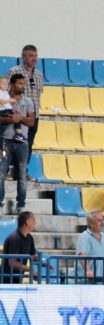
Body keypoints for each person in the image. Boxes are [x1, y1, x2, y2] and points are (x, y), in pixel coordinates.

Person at [0, 74, 35, 215]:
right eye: (19, 83)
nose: (22, 86)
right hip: (5, 142)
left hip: (22, 143)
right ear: (12, 84)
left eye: (23, 83)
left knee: (21, 175)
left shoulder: (28, 101)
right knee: (1, 173)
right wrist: (9, 120)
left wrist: (20, 118)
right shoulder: (4, 98)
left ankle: (21, 205)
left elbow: (31, 121)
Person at [5, 45, 43, 174]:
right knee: (10, 143)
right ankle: (6, 171)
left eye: (36, 56)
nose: (34, 59)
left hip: (32, 117)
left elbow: (38, 95)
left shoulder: (39, 75)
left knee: (28, 145)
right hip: (15, 116)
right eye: (31, 56)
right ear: (23, 57)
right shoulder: (13, 71)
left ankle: (21, 172)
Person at [2, 211, 41, 283]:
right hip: (7, 279)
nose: (35, 223)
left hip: (18, 278)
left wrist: (45, 263)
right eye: (33, 220)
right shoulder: (14, 238)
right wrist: (30, 270)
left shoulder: (29, 237)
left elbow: (33, 257)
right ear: (27, 222)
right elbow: (13, 263)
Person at [0, 77, 17, 151]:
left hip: (8, 110)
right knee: (2, 130)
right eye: (3, 83)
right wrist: (10, 100)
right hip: (3, 112)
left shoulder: (5, 92)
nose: (5, 85)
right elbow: (1, 102)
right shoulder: (0, 92)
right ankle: (1, 146)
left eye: (6, 84)